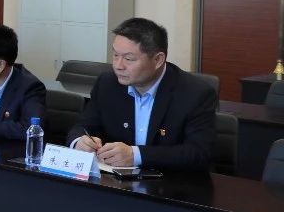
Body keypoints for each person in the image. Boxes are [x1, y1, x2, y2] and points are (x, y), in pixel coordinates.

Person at [68, 18, 217, 172]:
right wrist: (79, 142)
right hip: (115, 181)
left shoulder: (195, 93)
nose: (118, 66)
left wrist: (136, 155)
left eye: (128, 59)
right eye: (115, 55)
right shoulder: (107, 84)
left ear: (158, 60)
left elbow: (199, 153)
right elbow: (83, 126)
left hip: (173, 182)